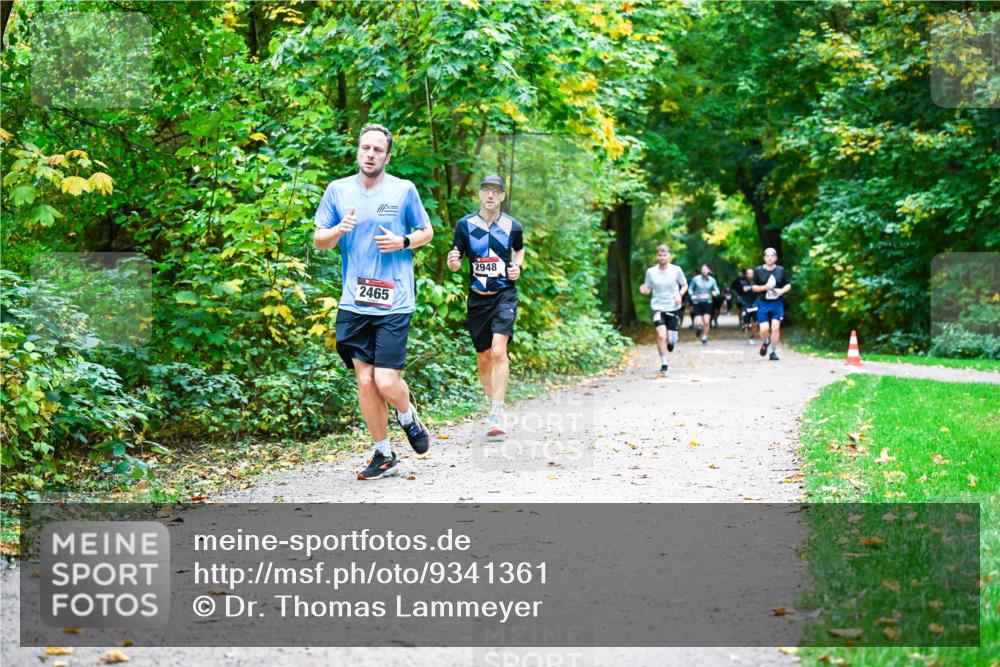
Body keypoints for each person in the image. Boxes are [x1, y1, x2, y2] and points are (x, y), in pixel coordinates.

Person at [313, 124, 433, 480]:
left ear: (387, 156)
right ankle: (383, 453)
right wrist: (337, 231)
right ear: (358, 151)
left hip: (394, 300)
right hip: (354, 301)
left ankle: (408, 414)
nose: (370, 154)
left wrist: (404, 241)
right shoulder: (338, 190)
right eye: (365, 147)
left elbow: (426, 231)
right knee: (364, 382)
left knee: (385, 381)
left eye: (377, 150)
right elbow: (320, 239)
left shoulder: (403, 190)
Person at [447, 175, 524, 437]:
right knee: (483, 359)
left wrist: (517, 267)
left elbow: (519, 250)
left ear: (502, 196)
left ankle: (497, 411)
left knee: (498, 350)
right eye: (485, 190)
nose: (490, 195)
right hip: (478, 297)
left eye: (495, 191)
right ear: (480, 194)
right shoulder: (464, 225)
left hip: (504, 295)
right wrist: (453, 263)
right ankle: (493, 405)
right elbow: (455, 259)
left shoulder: (513, 226)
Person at [639, 245, 688, 375]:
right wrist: (644, 290)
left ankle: (672, 342)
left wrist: (680, 295)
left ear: (669, 256)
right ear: (657, 256)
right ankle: (664, 363)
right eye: (660, 255)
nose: (662, 257)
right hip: (658, 307)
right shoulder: (651, 272)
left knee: (671, 340)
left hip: (674, 307)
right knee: (661, 335)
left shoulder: (676, 270)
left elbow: (684, 284)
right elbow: (648, 287)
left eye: (665, 255)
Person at [752, 247, 791, 361]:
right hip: (763, 303)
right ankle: (766, 341)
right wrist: (765, 287)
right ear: (764, 258)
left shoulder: (781, 270)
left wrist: (781, 291)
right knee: (764, 329)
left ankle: (773, 352)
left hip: (777, 303)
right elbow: (754, 287)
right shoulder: (758, 271)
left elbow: (788, 284)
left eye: (772, 255)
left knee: (775, 327)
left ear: (776, 258)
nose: (770, 258)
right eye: (767, 256)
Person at [689, 264, 720, 344]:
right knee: (699, 323)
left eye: (706, 269)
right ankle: (699, 329)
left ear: (709, 271)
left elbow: (717, 290)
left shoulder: (712, 280)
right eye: (702, 269)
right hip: (697, 302)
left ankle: (705, 337)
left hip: (708, 302)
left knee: (706, 321)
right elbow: (690, 288)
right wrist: (692, 295)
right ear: (701, 271)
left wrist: (715, 293)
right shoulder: (696, 279)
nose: (704, 271)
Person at [731, 268, 758, 344]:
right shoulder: (741, 282)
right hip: (745, 304)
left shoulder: (757, 282)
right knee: (747, 323)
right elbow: (733, 289)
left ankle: (752, 337)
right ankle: (745, 325)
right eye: (748, 273)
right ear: (746, 274)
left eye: (752, 273)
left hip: (755, 304)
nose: (750, 275)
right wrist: (738, 298)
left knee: (755, 323)